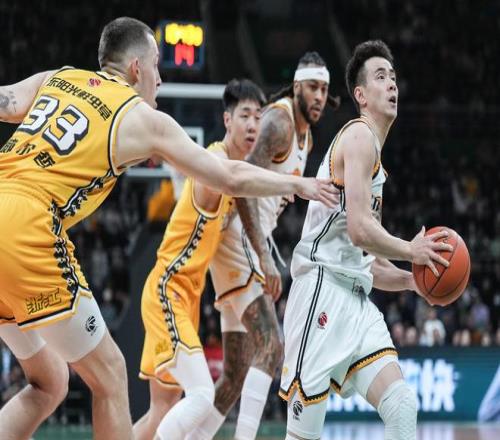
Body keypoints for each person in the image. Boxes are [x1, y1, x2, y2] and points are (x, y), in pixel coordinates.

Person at [0, 17, 336, 440]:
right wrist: (298, 184)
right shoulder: (141, 117)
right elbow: (230, 176)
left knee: (49, 382)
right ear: (136, 67)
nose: (159, 79)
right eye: (157, 65)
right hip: (29, 225)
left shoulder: (58, 78)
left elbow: (5, 102)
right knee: (110, 375)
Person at [278, 40, 453, 440]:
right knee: (303, 435)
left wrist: (412, 281)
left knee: (402, 406)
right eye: (380, 77)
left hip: (356, 300)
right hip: (321, 291)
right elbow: (360, 228)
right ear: (360, 95)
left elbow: (367, 258)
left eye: (393, 77)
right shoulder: (358, 137)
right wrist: (412, 251)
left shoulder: (374, 160)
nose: (391, 84)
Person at [190, 52, 339, 440]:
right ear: (297, 86)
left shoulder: (306, 136)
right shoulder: (279, 123)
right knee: (271, 347)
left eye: (324, 89)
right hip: (239, 237)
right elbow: (241, 187)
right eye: (312, 87)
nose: (319, 96)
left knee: (235, 375)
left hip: (246, 239)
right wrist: (264, 256)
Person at [133, 78, 265, 440]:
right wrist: (299, 185)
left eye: (258, 117)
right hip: (168, 290)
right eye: (245, 116)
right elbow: (238, 181)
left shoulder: (230, 174)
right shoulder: (216, 163)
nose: (253, 125)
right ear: (227, 120)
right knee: (203, 396)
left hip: (187, 297)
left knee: (162, 410)